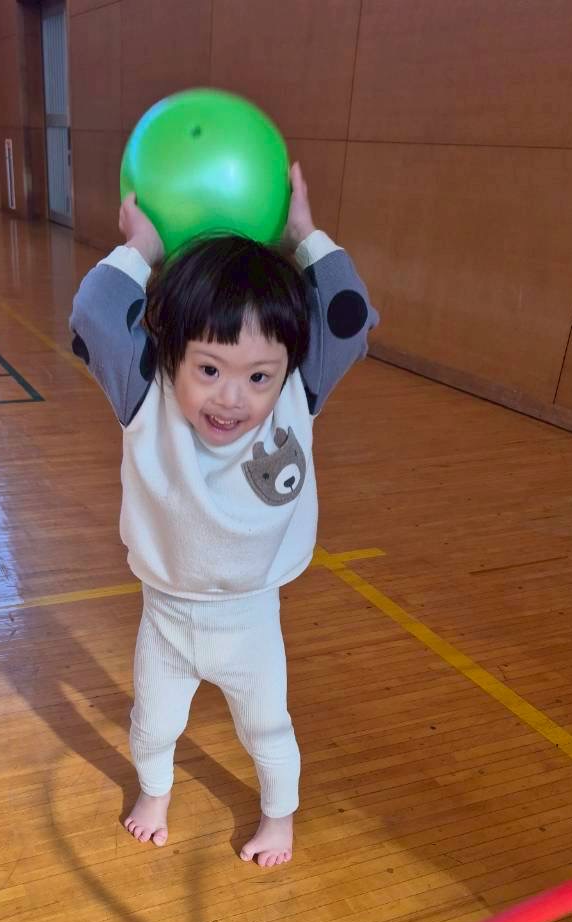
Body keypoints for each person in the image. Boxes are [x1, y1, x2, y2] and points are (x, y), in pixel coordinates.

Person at [69, 163, 378, 867]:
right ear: (169, 353)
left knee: (268, 730)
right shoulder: (145, 393)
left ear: (285, 369)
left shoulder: (298, 390)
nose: (233, 399)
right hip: (167, 619)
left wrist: (304, 234)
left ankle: (279, 818)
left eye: (257, 377)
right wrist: (143, 247)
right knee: (153, 725)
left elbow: (349, 316)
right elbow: (94, 313)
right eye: (208, 370)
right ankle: (154, 795)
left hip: (252, 621)